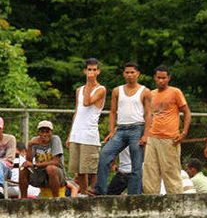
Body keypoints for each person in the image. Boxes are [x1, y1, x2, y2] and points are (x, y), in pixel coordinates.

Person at [94, 62, 151, 195]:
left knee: (136, 165)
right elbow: (113, 112)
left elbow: (148, 114)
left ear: (138, 74)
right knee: (104, 155)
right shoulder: (117, 90)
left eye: (132, 72)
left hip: (137, 128)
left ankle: (134, 196)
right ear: (123, 74)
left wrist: (146, 134)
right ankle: (100, 191)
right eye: (127, 72)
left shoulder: (145, 91)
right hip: (121, 129)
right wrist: (112, 130)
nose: (129, 75)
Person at [143, 65, 191, 195]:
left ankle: (176, 202)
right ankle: (151, 200)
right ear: (154, 78)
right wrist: (145, 135)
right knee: (150, 171)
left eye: (164, 78)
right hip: (152, 137)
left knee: (171, 172)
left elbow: (187, 112)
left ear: (168, 78)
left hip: (169, 138)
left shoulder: (175, 92)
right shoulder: (151, 94)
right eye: (158, 78)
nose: (161, 81)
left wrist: (184, 133)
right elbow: (148, 116)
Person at [66, 58, 106, 194]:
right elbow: (77, 111)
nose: (92, 72)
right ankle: (83, 194)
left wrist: (90, 82)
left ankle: (92, 193)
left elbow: (87, 102)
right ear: (85, 71)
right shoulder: (79, 90)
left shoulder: (101, 89)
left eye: (94, 70)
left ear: (98, 71)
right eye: (89, 69)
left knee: (90, 169)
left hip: (90, 135)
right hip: (77, 134)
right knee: (79, 170)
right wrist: (70, 135)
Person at [19, 120, 66, 198]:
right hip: (40, 173)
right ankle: (23, 199)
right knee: (23, 169)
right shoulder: (35, 140)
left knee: (51, 168)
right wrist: (30, 145)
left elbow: (55, 162)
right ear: (38, 133)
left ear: (51, 132)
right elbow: (29, 161)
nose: (45, 134)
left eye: (47, 131)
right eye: (42, 132)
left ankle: (56, 199)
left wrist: (34, 164)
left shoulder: (55, 139)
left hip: (56, 174)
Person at [0, 116, 16, 198]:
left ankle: (0, 188)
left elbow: (9, 160)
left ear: (2, 129)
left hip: (6, 169)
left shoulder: (10, 139)